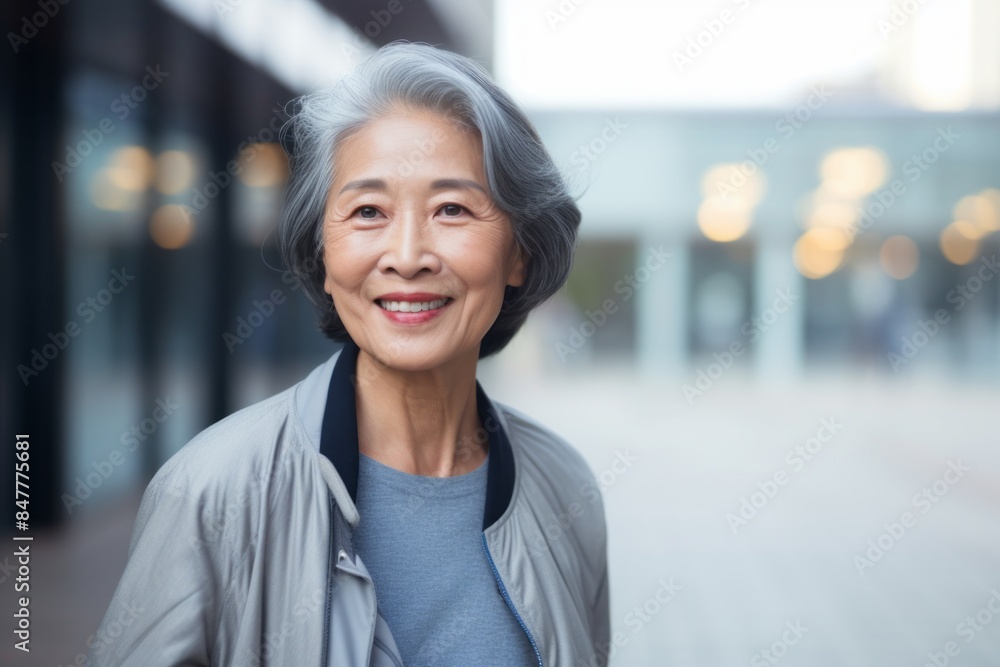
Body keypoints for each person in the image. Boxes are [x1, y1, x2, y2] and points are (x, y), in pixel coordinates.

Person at [88, 40, 610, 667]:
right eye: (368, 211)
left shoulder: (564, 487)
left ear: (519, 253)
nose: (409, 254)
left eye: (452, 208)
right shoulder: (212, 493)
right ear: (325, 257)